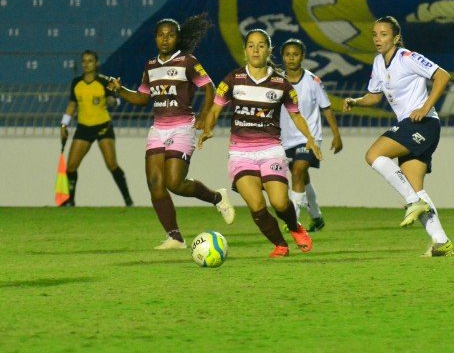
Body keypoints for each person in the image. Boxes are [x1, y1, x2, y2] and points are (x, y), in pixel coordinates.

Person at [107, 14, 235, 250]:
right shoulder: (151, 66)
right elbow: (143, 98)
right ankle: (175, 237)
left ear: (177, 38)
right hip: (158, 129)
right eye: (161, 35)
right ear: (155, 38)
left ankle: (216, 198)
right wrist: (120, 90)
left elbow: (209, 87)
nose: (166, 39)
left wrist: (205, 117)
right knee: (155, 182)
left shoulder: (187, 61)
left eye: (171, 35)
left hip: (182, 126)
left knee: (174, 182)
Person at [198, 28, 322, 258]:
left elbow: (296, 115)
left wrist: (310, 139)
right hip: (240, 154)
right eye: (251, 45)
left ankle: (295, 228)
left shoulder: (281, 84)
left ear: (269, 50)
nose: (256, 50)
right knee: (256, 204)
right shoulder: (233, 79)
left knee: (280, 202)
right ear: (245, 51)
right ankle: (280, 244)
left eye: (261, 45)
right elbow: (215, 108)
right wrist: (208, 129)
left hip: (271, 151)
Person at [343, 16, 454, 257]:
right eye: (374, 34)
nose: (377, 39)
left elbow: (442, 76)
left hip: (423, 124)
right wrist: (356, 101)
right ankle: (441, 242)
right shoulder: (378, 62)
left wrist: (425, 107)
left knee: (373, 155)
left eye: (383, 34)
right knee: (416, 188)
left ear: (396, 37)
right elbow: (374, 97)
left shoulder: (407, 58)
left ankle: (412, 201)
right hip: (413, 126)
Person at [279, 38, 343, 232]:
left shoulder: (313, 81)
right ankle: (316, 217)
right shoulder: (277, 81)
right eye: (288, 54)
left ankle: (293, 221)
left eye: (295, 54)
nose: (291, 58)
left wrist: (336, 135)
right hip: (285, 138)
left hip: (309, 138)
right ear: (283, 57)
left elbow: (327, 108)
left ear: (302, 57)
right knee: (302, 177)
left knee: (298, 171)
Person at [60, 50, 133, 207]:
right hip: (84, 127)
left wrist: (112, 101)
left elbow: (115, 101)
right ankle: (70, 201)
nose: (87, 64)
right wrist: (63, 124)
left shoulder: (103, 81)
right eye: (84, 61)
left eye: (90, 61)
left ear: (96, 63)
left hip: (102, 126)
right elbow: (72, 104)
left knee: (111, 164)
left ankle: (128, 200)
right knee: (71, 166)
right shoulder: (76, 82)